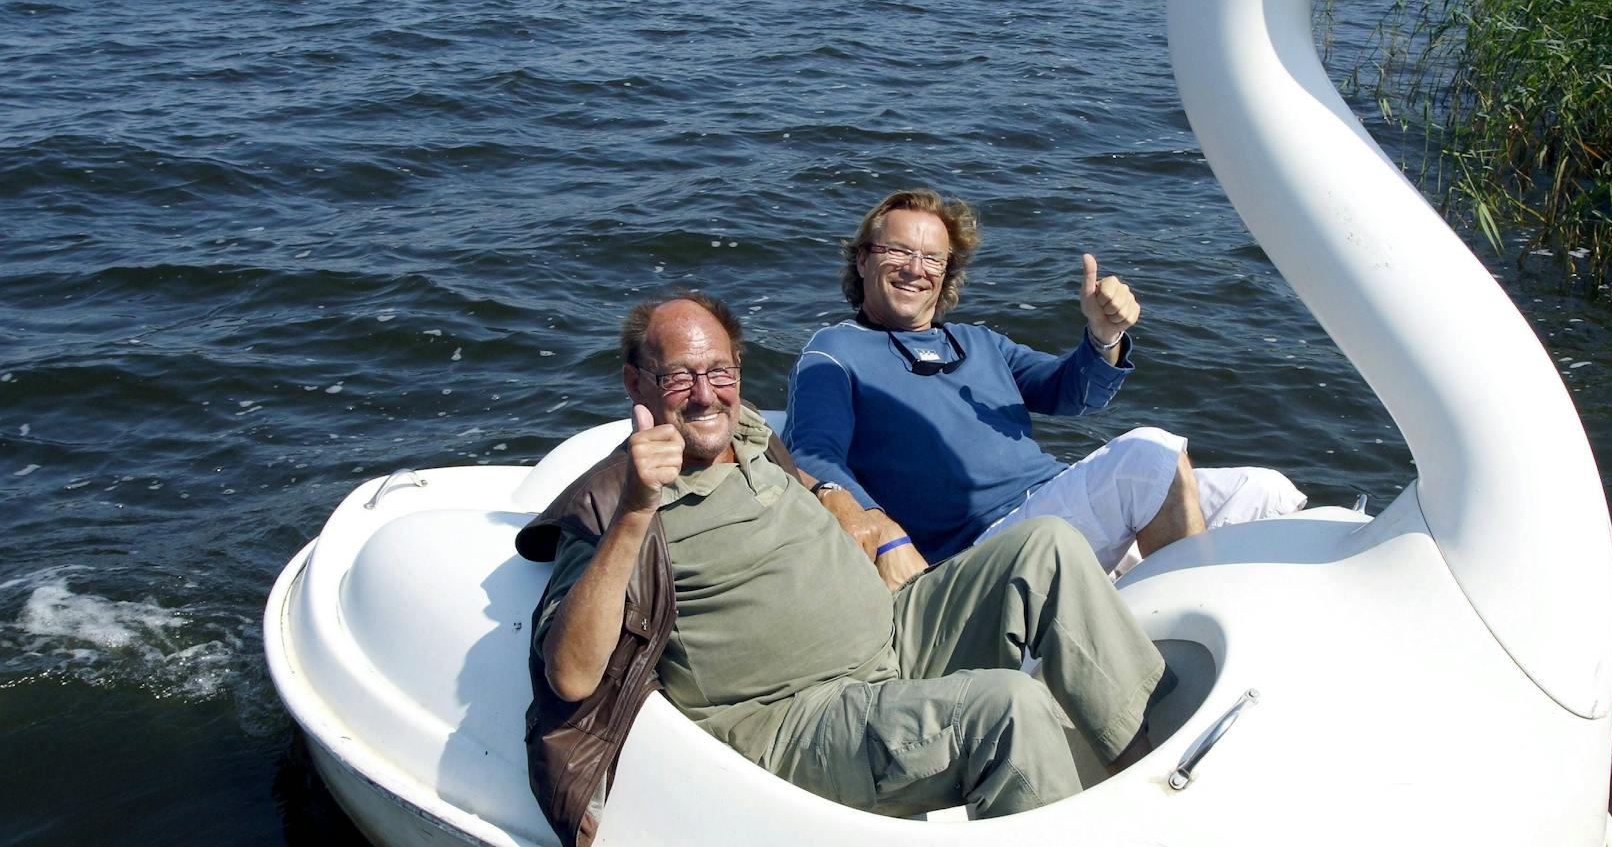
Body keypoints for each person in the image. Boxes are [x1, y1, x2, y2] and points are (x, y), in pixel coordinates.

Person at [519, 292, 1171, 845]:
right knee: (1007, 709)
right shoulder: (611, 500)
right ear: (636, 383)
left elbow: (803, 478)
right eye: (678, 377)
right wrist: (635, 511)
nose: (703, 396)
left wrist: (846, 505)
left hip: (892, 639)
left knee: (1047, 545)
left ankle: (1145, 784)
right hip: (791, 723)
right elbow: (571, 676)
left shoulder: (745, 432)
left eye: (720, 372)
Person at [785, 189, 1305, 580]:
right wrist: (876, 525)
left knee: (1265, 491)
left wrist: (1104, 337)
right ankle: (1190, 614)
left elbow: (1070, 392)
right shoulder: (835, 353)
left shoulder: (978, 342)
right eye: (897, 251)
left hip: (1056, 505)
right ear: (862, 258)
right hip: (985, 547)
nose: (915, 270)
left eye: (933, 259)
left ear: (947, 273)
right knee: (1150, 457)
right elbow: (812, 453)